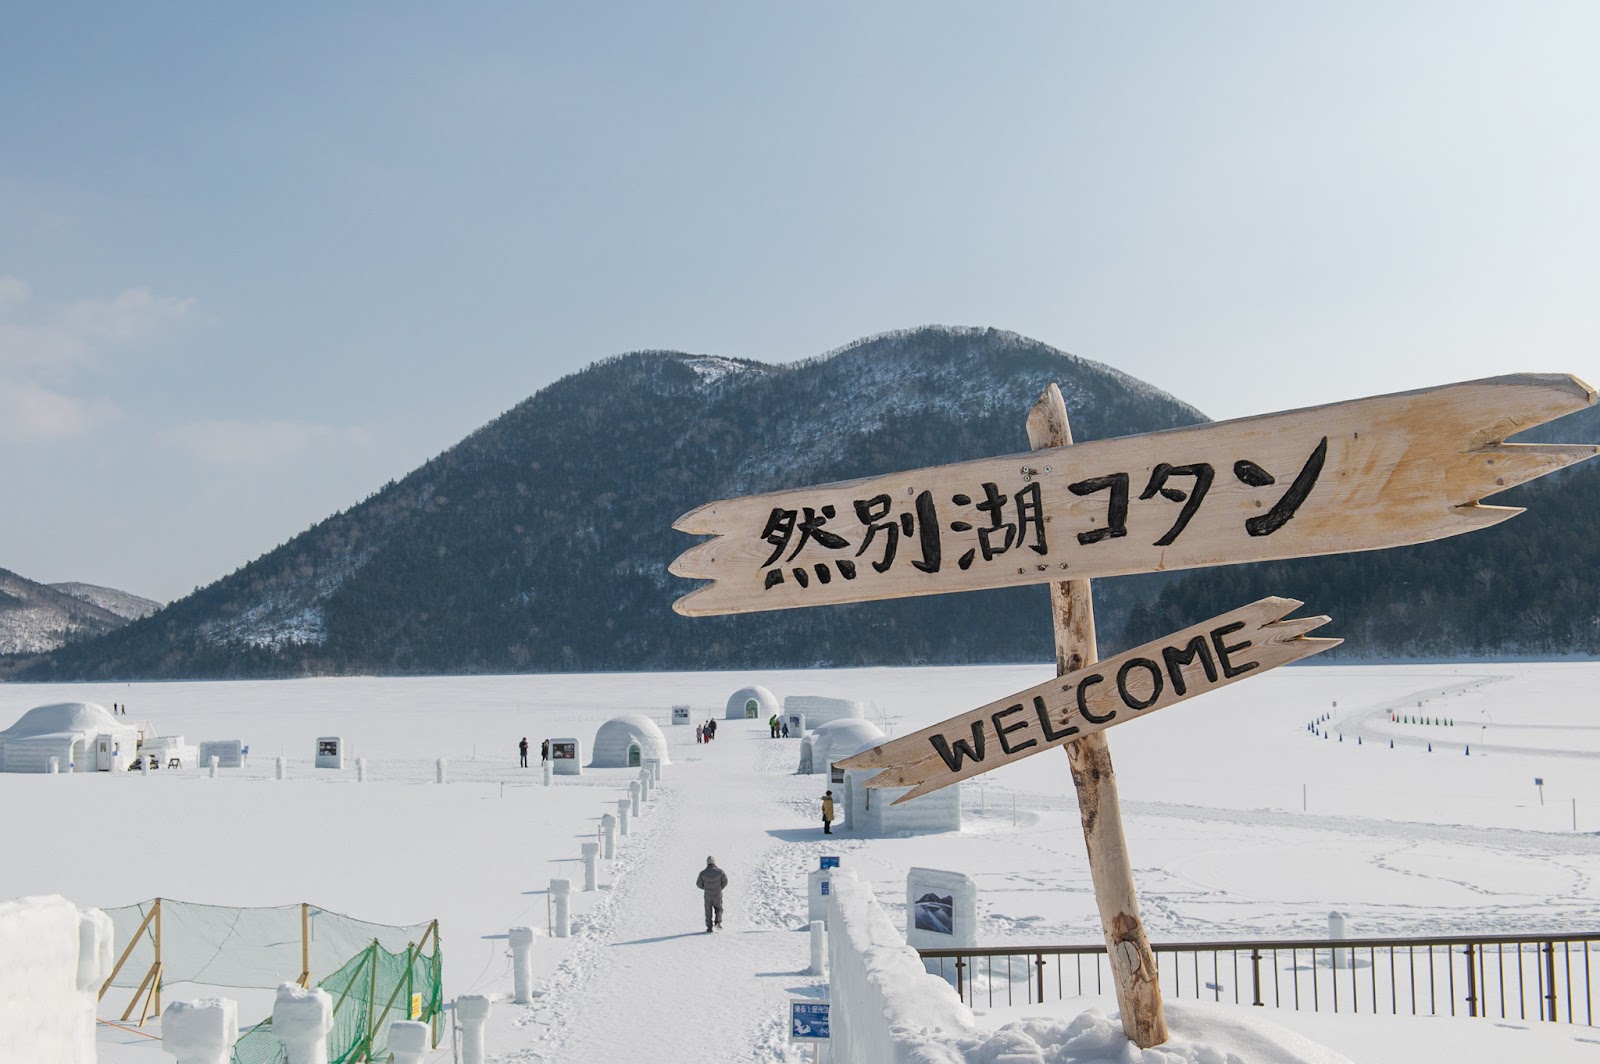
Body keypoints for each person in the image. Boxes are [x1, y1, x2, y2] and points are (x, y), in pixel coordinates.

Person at [696, 856, 727, 932]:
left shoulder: (702, 873)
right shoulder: (720, 872)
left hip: (707, 895)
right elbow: (725, 881)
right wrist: (719, 888)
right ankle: (717, 922)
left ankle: (709, 927)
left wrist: (706, 888)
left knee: (708, 911)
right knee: (719, 909)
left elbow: (698, 884)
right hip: (717, 894)